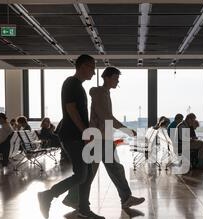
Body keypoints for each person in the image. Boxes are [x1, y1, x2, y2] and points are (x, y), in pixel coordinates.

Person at [62, 66, 145, 210]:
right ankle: (72, 198)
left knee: (111, 169)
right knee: (92, 172)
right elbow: (106, 117)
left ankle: (125, 198)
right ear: (106, 77)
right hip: (98, 139)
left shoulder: (103, 93)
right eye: (115, 78)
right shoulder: (100, 93)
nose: (117, 81)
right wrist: (126, 130)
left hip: (103, 138)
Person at [37, 54, 102, 219]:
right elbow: (71, 109)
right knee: (81, 174)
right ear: (82, 66)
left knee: (85, 173)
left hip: (77, 136)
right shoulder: (71, 83)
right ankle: (48, 195)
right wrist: (85, 132)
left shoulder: (77, 85)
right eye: (92, 68)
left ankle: (83, 209)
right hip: (73, 136)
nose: (93, 72)